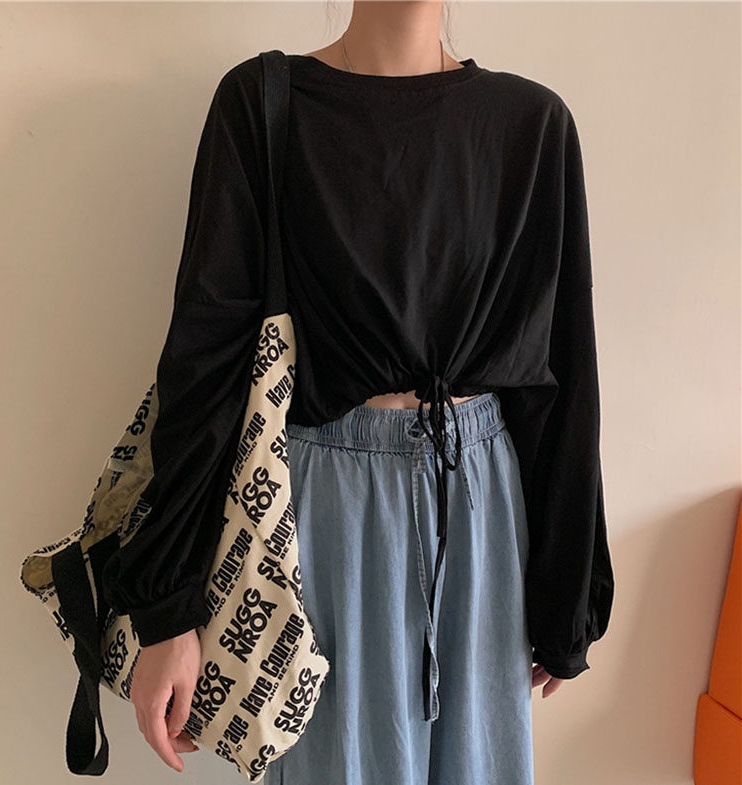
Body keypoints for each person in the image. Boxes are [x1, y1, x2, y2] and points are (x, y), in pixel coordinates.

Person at [100, 3, 615, 782]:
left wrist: (565, 596)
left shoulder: (530, 123)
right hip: (324, 506)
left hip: (481, 505)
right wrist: (167, 608)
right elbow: (205, 363)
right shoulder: (264, 104)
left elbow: (558, 377)